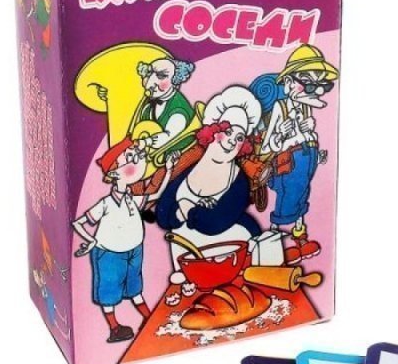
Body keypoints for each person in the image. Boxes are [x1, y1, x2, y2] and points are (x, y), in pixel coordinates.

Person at [72, 138, 177, 343]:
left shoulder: (131, 198)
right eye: (131, 158)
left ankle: (148, 318)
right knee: (109, 291)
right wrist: (91, 241)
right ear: (113, 173)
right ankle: (114, 328)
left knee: (135, 286)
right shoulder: (106, 203)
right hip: (110, 254)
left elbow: (156, 193)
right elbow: (78, 223)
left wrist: (169, 169)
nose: (138, 161)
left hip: (134, 249)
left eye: (137, 156)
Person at [156, 86, 263, 288]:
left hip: (232, 257)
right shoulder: (187, 170)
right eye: (227, 132)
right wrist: (181, 212)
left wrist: (186, 206)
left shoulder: (239, 181)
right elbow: (162, 215)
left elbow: (214, 223)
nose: (231, 141)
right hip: (189, 261)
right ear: (212, 131)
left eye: (239, 138)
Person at [260, 44, 338, 263]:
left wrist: (313, 142)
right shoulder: (281, 107)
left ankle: (300, 236)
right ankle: (275, 239)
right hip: (290, 161)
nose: (316, 91)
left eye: (320, 85)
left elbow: (308, 135)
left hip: (308, 157)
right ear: (288, 82)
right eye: (308, 84)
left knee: (303, 195)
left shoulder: (306, 106)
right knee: (288, 198)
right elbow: (267, 146)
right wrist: (281, 134)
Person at [132, 57, 198, 157]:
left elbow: (168, 136)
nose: (151, 82)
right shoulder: (149, 106)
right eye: (149, 73)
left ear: (175, 80)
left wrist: (146, 142)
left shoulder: (179, 109)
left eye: (161, 76)